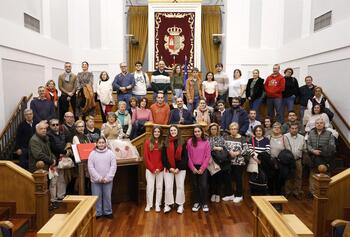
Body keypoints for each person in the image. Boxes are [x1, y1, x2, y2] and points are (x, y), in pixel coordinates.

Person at [88, 137, 117, 219]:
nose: (101, 144)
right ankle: (98, 212)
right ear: (96, 144)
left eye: (103, 142)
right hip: (96, 180)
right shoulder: (92, 154)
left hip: (107, 180)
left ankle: (108, 211)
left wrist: (108, 177)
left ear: (105, 143)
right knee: (97, 196)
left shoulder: (110, 153)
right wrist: (99, 178)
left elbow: (113, 166)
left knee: (107, 196)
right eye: (99, 142)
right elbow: (90, 167)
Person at [162, 125, 188, 214]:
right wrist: (170, 168)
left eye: (174, 130)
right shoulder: (165, 143)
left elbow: (185, 158)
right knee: (168, 187)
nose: (173, 132)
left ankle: (180, 205)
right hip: (169, 169)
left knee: (180, 187)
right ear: (169, 132)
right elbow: (164, 158)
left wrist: (178, 168)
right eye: (171, 130)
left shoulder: (183, 142)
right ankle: (168, 205)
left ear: (178, 131)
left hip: (180, 169)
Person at [307, 118, 336, 194]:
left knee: (326, 174)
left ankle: (325, 192)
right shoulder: (311, 133)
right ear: (315, 125)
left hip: (325, 158)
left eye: (321, 123)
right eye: (317, 123)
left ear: (324, 124)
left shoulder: (329, 134)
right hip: (314, 156)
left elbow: (332, 146)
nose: (319, 124)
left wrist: (322, 152)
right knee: (313, 174)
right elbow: (308, 145)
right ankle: (313, 193)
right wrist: (313, 151)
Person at [47, 118, 71, 204]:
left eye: (57, 124)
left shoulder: (62, 133)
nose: (55, 126)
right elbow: (54, 147)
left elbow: (67, 141)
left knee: (61, 179)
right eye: (53, 125)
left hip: (62, 160)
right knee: (54, 181)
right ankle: (53, 199)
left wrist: (67, 148)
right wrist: (65, 152)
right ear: (50, 126)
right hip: (54, 160)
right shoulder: (49, 135)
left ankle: (61, 196)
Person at [187, 126, 211, 212]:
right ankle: (196, 202)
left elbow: (208, 156)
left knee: (203, 185)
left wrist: (202, 168)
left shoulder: (206, 142)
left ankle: (204, 203)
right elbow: (188, 156)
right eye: (195, 131)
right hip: (193, 167)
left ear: (202, 132)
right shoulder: (190, 142)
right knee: (195, 185)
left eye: (198, 131)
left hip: (202, 167)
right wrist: (192, 168)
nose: (197, 133)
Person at [223, 122, 248, 203]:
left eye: (235, 129)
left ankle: (239, 195)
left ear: (237, 130)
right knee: (228, 178)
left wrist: (237, 153)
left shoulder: (242, 138)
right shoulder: (226, 137)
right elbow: (224, 147)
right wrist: (230, 152)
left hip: (239, 162)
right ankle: (230, 194)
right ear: (229, 130)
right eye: (232, 129)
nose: (233, 130)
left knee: (238, 179)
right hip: (228, 162)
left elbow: (246, 149)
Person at [143, 126, 164, 212]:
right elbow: (146, 157)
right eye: (155, 131)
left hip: (160, 169)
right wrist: (152, 168)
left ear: (160, 133)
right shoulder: (148, 142)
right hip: (150, 169)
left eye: (158, 132)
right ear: (153, 132)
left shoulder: (162, 143)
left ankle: (157, 204)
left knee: (159, 187)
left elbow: (163, 158)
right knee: (150, 187)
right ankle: (149, 204)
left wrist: (159, 168)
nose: (157, 133)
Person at [207, 123, 229, 203]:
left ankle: (218, 194)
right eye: (212, 129)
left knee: (219, 179)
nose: (213, 130)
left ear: (217, 130)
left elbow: (224, 148)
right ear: (210, 130)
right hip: (211, 161)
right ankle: (213, 193)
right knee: (212, 179)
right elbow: (207, 148)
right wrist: (216, 148)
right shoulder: (207, 138)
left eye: (215, 129)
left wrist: (218, 148)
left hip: (220, 161)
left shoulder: (221, 138)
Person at [246, 125, 270, 195]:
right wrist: (256, 159)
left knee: (263, 177)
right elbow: (250, 150)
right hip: (254, 161)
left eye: (260, 131)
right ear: (254, 132)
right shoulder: (252, 139)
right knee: (253, 177)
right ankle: (253, 192)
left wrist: (261, 159)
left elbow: (268, 151)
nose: (258, 132)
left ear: (262, 131)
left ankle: (262, 192)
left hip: (263, 162)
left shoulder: (266, 140)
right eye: (257, 131)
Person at [284, 122, 305, 199]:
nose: (294, 130)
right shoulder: (285, 136)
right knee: (288, 176)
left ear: (298, 129)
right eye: (292, 128)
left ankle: (296, 192)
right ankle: (287, 192)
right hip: (288, 161)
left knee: (298, 176)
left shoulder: (302, 138)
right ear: (289, 129)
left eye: (296, 128)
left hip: (298, 160)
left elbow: (304, 149)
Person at [266, 122, 285, 195]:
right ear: (272, 129)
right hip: (270, 162)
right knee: (270, 179)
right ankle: (270, 195)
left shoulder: (284, 137)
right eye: (275, 127)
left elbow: (287, 149)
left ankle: (278, 196)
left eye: (278, 127)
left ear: (280, 129)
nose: (277, 129)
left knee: (279, 181)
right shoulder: (268, 137)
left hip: (280, 163)